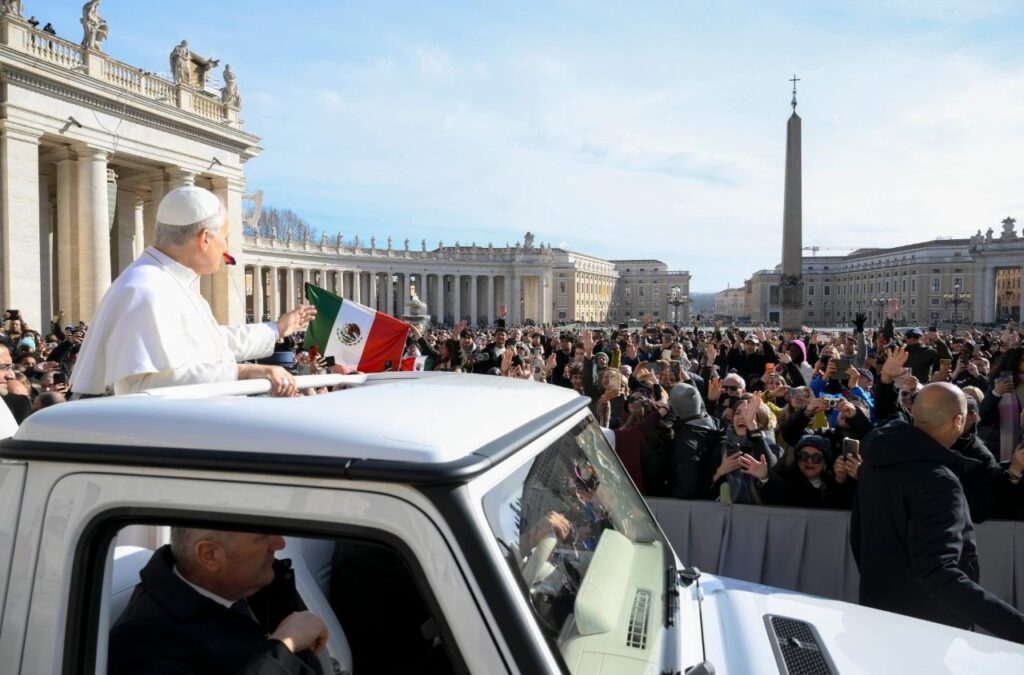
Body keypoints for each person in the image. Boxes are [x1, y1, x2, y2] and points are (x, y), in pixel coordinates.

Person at [70, 186, 315, 397]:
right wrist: (244, 371)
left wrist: (276, 329)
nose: (226, 247)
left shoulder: (170, 281)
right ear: (205, 238)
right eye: (225, 237)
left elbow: (213, 343)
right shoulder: (145, 289)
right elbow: (142, 387)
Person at [851, 382, 1024, 642]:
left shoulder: (874, 464)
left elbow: (859, 538)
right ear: (958, 420)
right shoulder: (938, 481)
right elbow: (939, 573)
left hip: (878, 611)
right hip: (928, 629)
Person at [109, 528, 329, 674]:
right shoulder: (146, 644)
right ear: (209, 555)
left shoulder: (251, 583)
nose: (280, 543)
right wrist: (283, 646)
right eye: (262, 535)